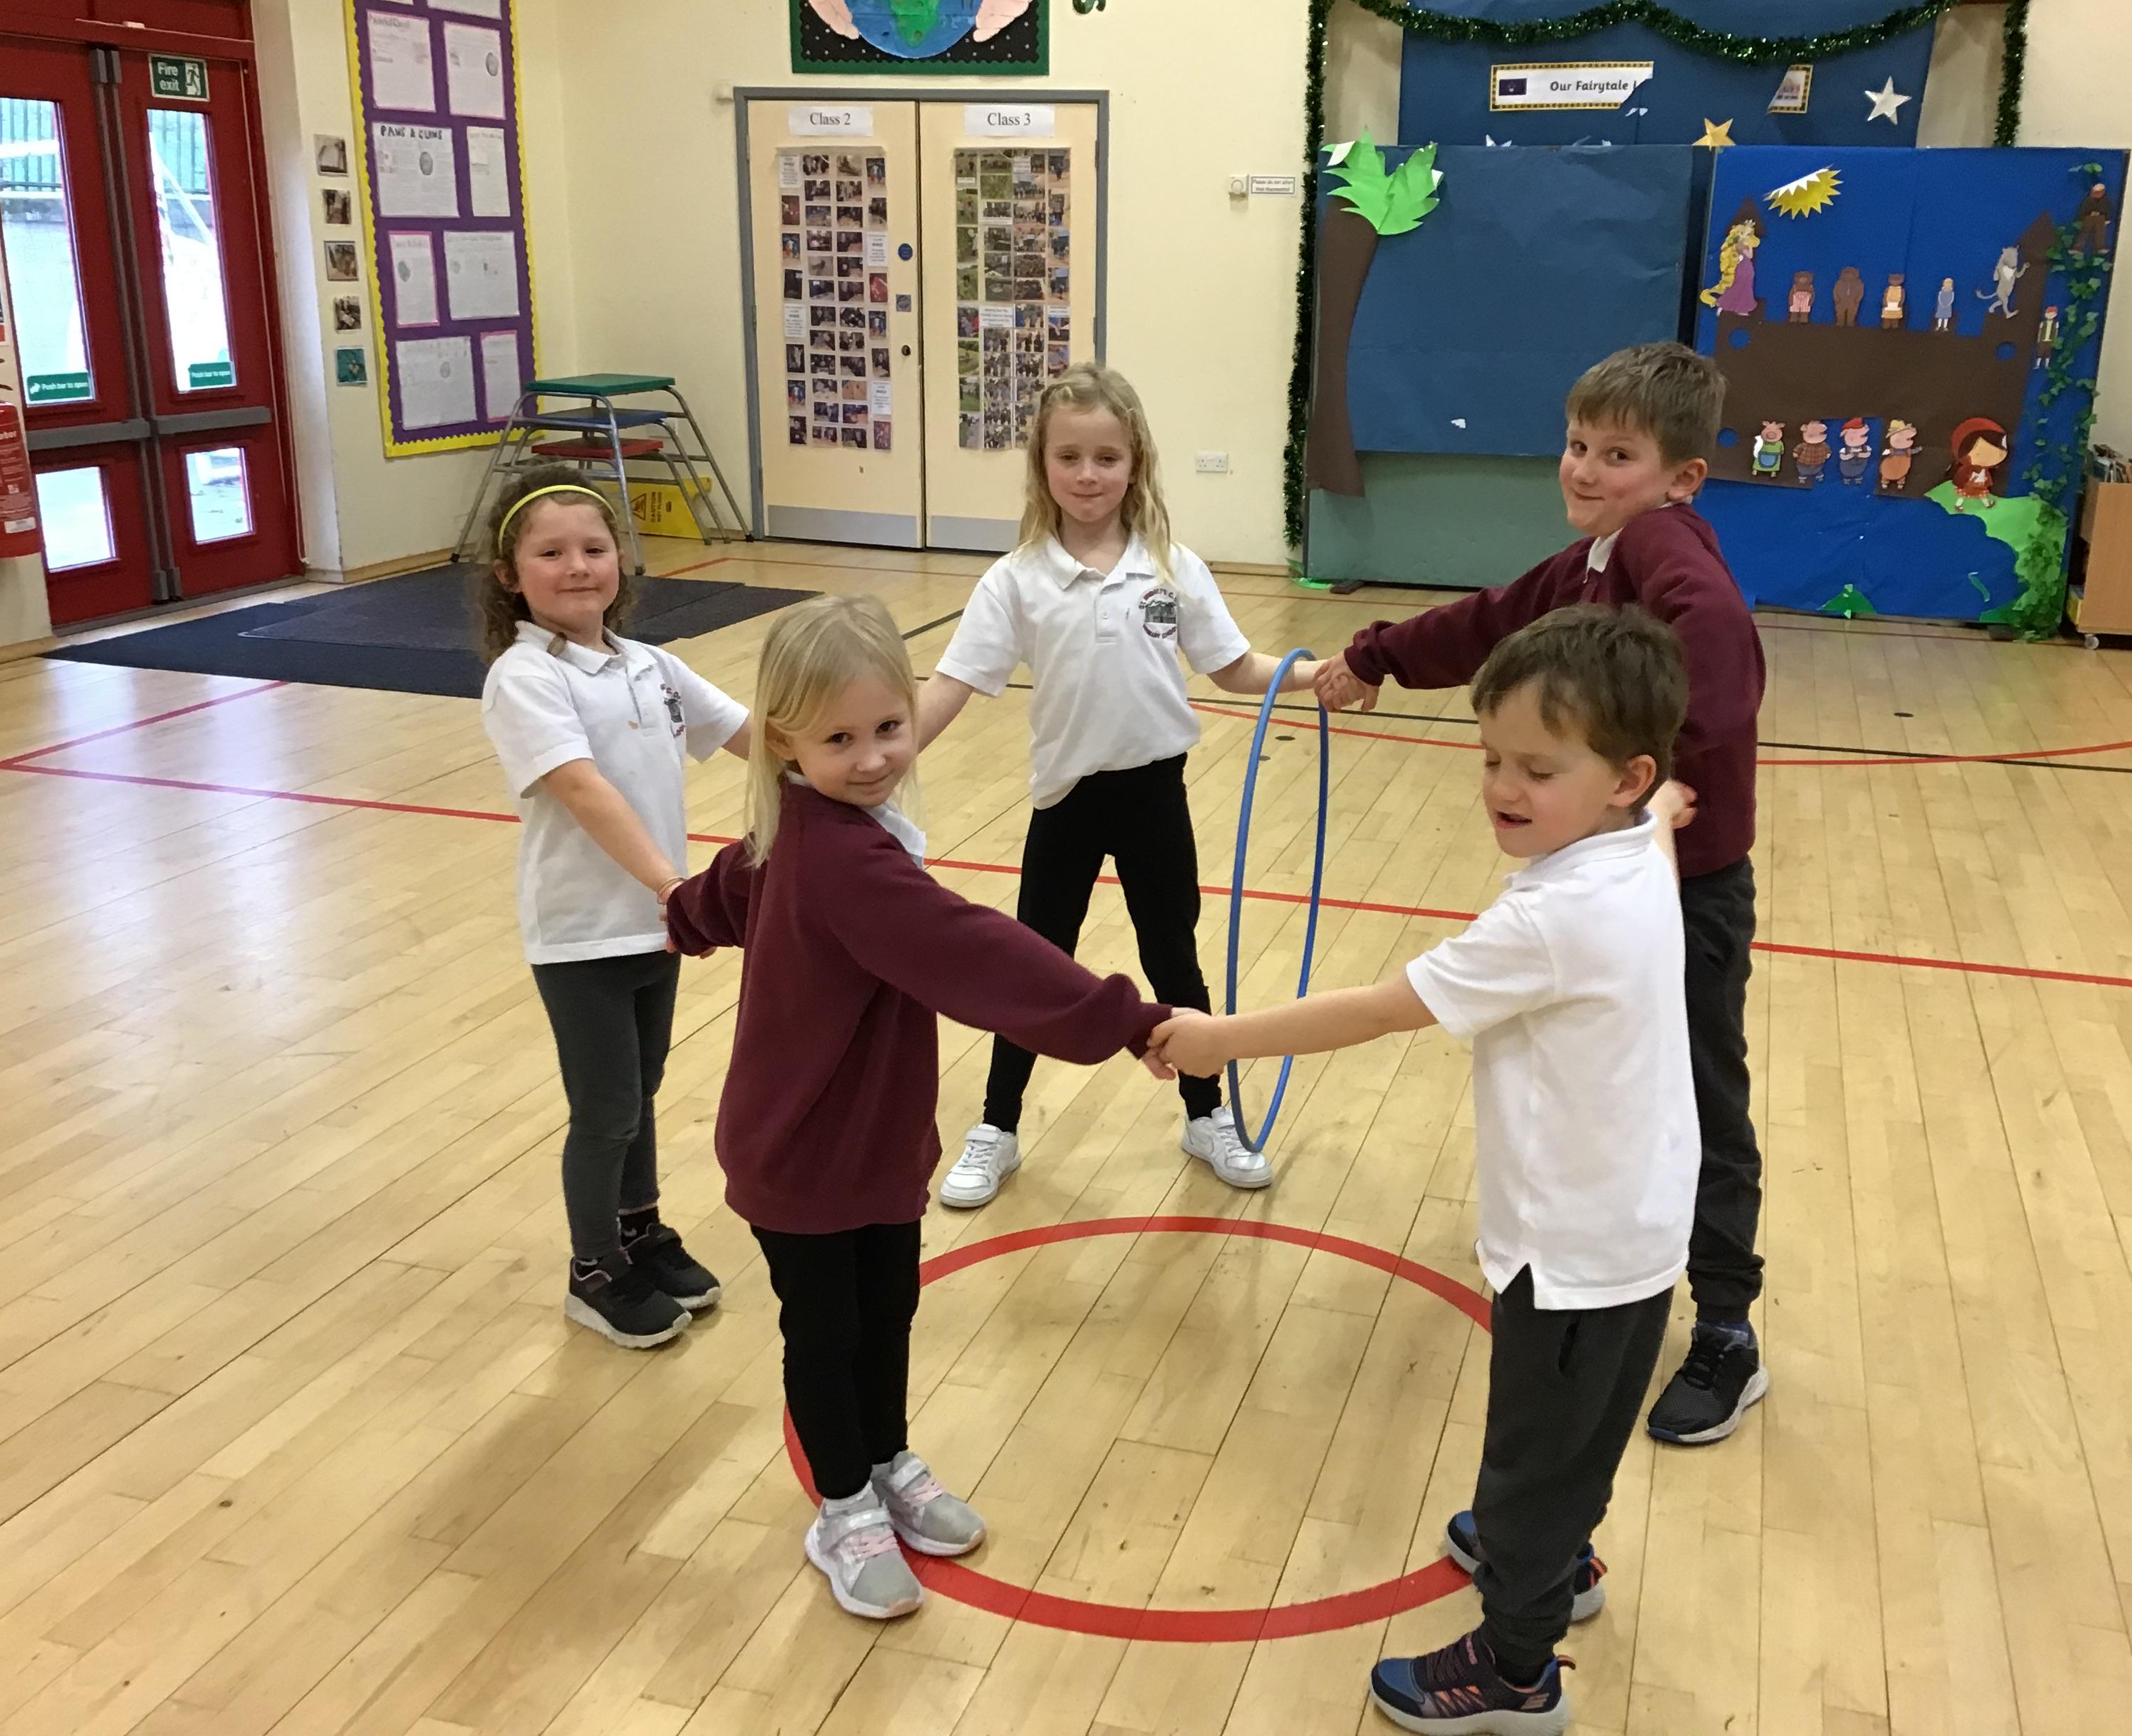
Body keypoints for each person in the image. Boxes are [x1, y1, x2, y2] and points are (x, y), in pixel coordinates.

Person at [1153, 607, 1698, 1736]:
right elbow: (1660, 833)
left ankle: (1516, 1668)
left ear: (1623, 778)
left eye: (1538, 769)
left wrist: (1217, 1040)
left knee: (1531, 1460)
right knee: (1578, 1432)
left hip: (1569, 1249)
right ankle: (1555, 1557)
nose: (1502, 786)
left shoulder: (1553, 919)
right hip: (1637, 1227)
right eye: (1492, 756)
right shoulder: (1631, 853)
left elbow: (1380, 1009)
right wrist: (1667, 811)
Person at [664, 593, 1175, 1621]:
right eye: (840, 740)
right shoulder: (839, 856)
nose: (872, 759)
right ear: (783, 742)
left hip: (876, 1140)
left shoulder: (811, 826)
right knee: (826, 1334)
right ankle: (842, 1504)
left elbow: (724, 889)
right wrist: (1124, 1018)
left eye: (889, 728)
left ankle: (886, 1459)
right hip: (803, 1150)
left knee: (886, 1308)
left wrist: (686, 919)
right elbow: (975, 953)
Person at [1311, 341, 1770, 1448]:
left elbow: (1721, 653)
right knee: (1629, 1094)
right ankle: (1623, 1268)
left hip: (1683, 895)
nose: (1584, 469)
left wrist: (1664, 781)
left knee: (1698, 1098)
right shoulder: (1598, 558)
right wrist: (1377, 655)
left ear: (1681, 477)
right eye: (1577, 445)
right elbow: (1492, 623)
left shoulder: (1661, 545)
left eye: (1618, 455)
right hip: (1629, 884)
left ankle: (1727, 1328)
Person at [914, 363, 1316, 1208]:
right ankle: (998, 1127)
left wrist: (1322, 674)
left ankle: (1205, 1113)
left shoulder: (1173, 568)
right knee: (1035, 966)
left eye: (1106, 457)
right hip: (1065, 802)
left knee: (1175, 959)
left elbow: (1236, 668)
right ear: (1042, 464)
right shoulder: (1015, 580)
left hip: (1154, 797)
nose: (1088, 475)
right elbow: (951, 684)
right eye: (1070, 457)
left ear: (1136, 463)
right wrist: (876, 756)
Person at [478, 471, 751, 1350]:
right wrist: (673, 886)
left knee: (643, 1092)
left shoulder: (649, 666)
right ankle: (593, 1270)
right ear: (509, 575)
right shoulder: (525, 677)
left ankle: (639, 1232)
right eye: (551, 553)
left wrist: (856, 751)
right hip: (582, 935)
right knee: (606, 1110)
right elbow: (582, 788)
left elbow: (751, 735)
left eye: (594, 548)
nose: (577, 567)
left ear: (621, 559)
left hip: (655, 928)